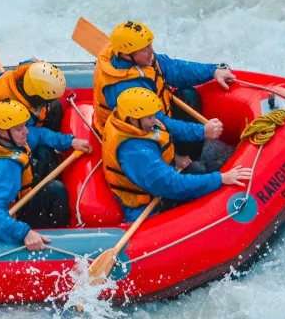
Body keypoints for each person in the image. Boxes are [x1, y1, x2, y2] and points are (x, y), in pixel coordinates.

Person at [102, 88, 252, 222]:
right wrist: (220, 178)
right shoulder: (135, 153)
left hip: (160, 177)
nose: (155, 121)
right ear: (133, 120)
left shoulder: (128, 122)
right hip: (149, 204)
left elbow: (164, 132)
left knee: (208, 169)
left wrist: (177, 157)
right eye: (149, 118)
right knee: (207, 175)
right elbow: (172, 185)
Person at [92, 21, 235, 160]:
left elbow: (176, 69)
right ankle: (180, 163)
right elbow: (155, 122)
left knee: (189, 95)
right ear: (125, 55)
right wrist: (201, 132)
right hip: (139, 132)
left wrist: (212, 71)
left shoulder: (140, 59)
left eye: (150, 46)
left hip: (154, 115)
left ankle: (190, 156)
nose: (152, 52)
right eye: (145, 49)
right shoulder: (124, 90)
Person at [0, 99, 93, 251]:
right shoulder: (1, 168)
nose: (26, 131)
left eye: (24, 126)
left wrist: (70, 142)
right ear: (2, 132)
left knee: (45, 153)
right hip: (10, 213)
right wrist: (24, 232)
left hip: (16, 190)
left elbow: (38, 135)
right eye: (19, 129)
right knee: (56, 192)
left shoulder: (2, 139)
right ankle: (59, 237)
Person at [0, 59, 71, 178]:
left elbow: (26, 63)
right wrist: (67, 141)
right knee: (45, 155)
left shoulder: (25, 75)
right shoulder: (10, 109)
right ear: (36, 97)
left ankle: (53, 147)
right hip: (1, 136)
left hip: (15, 126)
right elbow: (34, 135)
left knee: (55, 107)